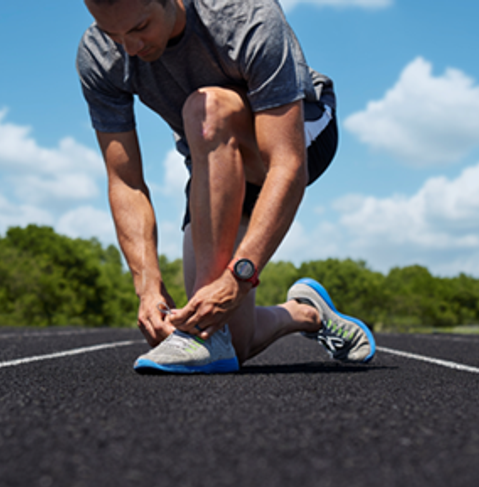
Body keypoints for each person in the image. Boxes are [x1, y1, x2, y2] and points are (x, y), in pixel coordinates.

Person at [76, 0, 376, 373]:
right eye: (112, 34)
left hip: (297, 135)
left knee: (206, 107)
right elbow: (125, 181)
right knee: (227, 336)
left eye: (139, 28)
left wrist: (240, 277)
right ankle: (307, 313)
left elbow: (287, 166)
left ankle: (209, 324)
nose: (129, 48)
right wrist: (147, 285)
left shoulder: (247, 16)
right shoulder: (99, 55)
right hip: (214, 157)